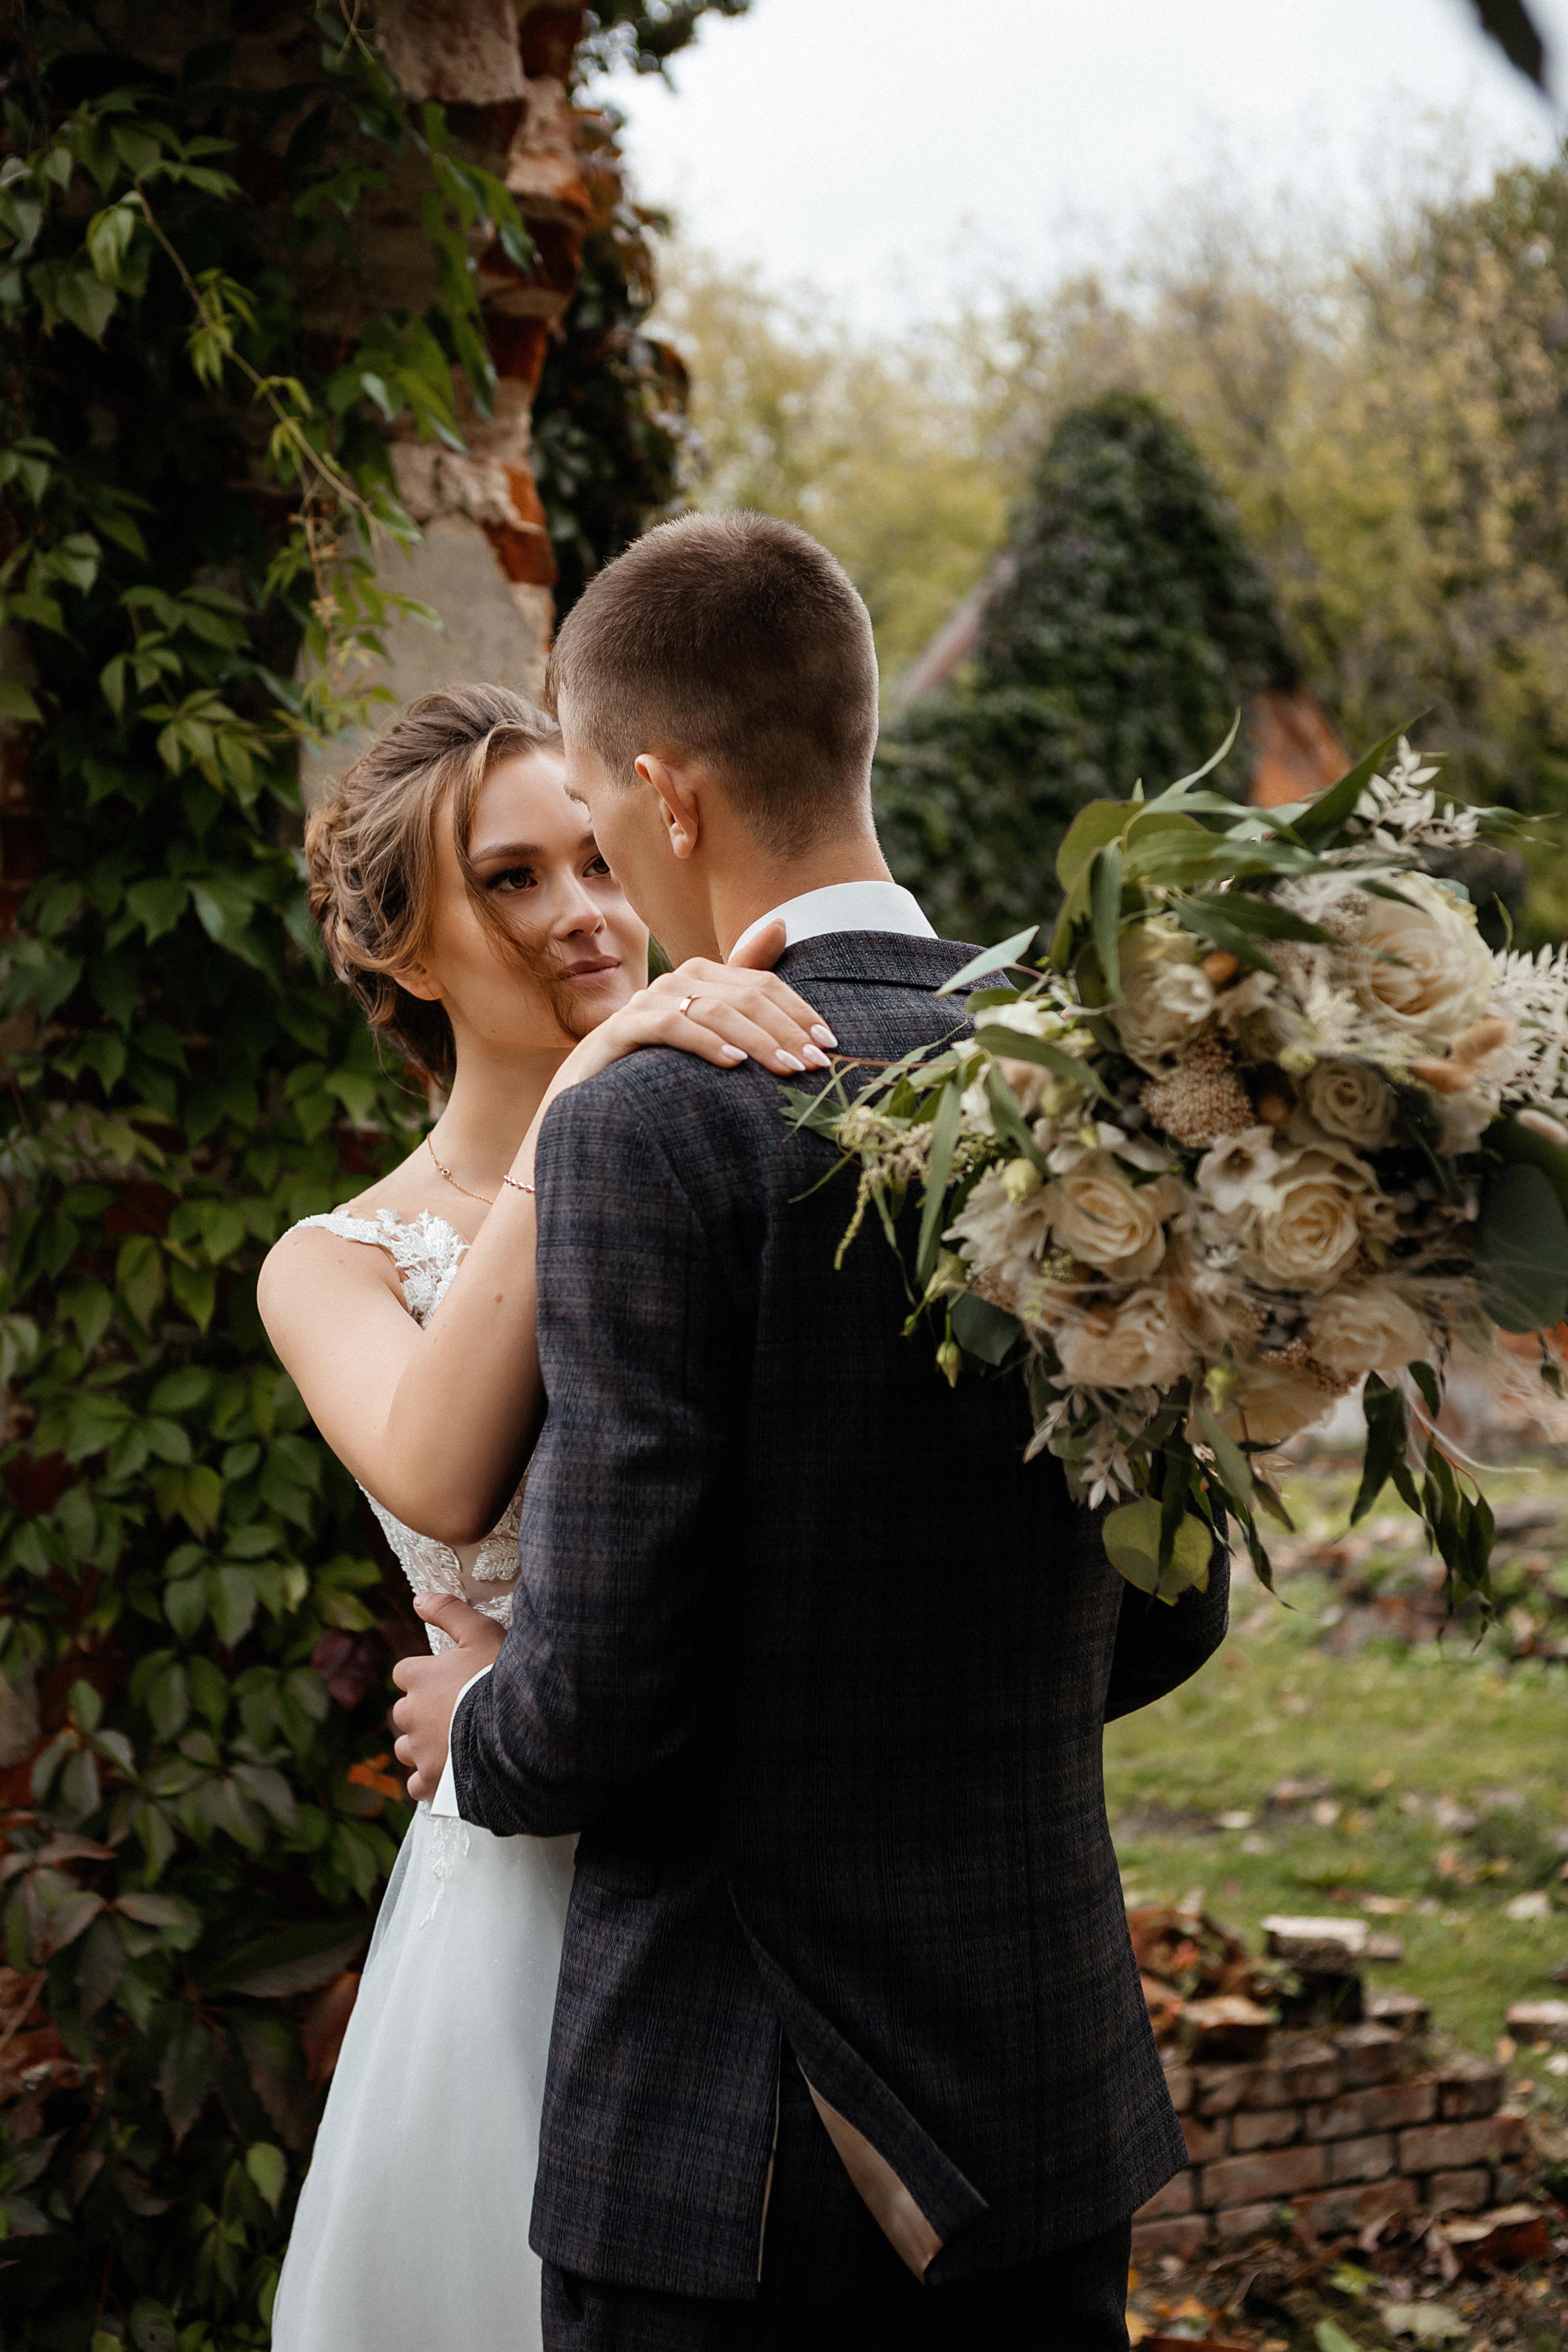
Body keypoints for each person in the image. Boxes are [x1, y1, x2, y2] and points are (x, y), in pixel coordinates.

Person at [391, 513, 1231, 2352]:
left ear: (665, 797)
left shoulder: (656, 1124)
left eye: (604, 828)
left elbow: (603, 1693)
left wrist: (482, 1728)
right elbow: (1177, 1610)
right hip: (1042, 2089)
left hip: (734, 2142)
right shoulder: (1101, 1076)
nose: (605, 879)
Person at [258, 682, 837, 2352]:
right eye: (512, 880)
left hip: (766, 1871)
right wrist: (589, 1096)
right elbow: (438, 1473)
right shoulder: (336, 1263)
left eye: (596, 857)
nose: (585, 911)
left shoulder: (743, 1136)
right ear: (405, 955)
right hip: (513, 1915)